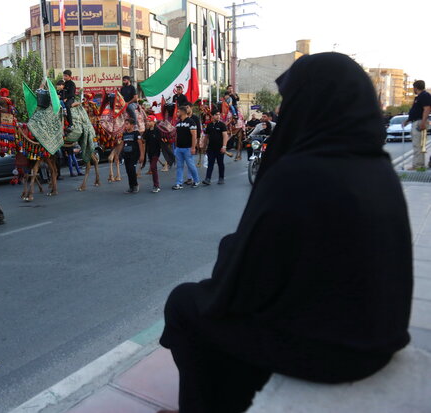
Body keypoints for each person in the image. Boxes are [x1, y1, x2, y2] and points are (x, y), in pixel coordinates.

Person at [158, 53, 412, 413]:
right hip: (378, 338)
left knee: (184, 303)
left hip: (333, 353)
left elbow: (245, 286)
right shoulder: (377, 167)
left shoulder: (300, 173)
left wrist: (232, 252)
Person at [403, 80, 430, 170]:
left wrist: (423, 122)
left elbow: (427, 109)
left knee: (418, 145)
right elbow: (417, 111)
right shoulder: (419, 97)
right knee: (417, 145)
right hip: (416, 121)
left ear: (415, 88)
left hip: (419, 122)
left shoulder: (424, 96)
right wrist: (408, 120)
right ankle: (417, 164)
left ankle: (418, 165)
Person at [172, 106, 200, 190]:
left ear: (183, 112)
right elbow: (176, 135)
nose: (177, 113)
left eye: (178, 112)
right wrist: (176, 147)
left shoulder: (191, 122)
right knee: (179, 166)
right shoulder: (178, 122)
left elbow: (194, 135)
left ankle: (196, 180)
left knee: (191, 166)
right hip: (179, 148)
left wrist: (193, 147)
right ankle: (178, 183)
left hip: (187, 148)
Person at [202, 110, 229, 185]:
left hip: (220, 148)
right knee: (210, 163)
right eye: (216, 115)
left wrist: (224, 146)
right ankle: (208, 179)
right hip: (211, 148)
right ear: (213, 116)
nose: (218, 116)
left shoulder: (222, 125)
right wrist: (204, 147)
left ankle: (221, 178)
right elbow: (206, 137)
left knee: (220, 163)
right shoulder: (209, 125)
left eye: (219, 115)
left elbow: (225, 136)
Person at [142, 115, 162, 192]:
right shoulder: (147, 131)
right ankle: (155, 185)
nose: (148, 122)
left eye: (150, 121)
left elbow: (160, 141)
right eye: (147, 121)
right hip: (149, 152)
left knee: (153, 168)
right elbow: (143, 139)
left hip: (156, 152)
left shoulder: (157, 130)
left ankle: (156, 186)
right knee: (154, 169)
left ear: (154, 122)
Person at [121, 118, 141, 193]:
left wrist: (141, 155)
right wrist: (117, 155)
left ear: (132, 125)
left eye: (127, 124)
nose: (125, 126)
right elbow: (122, 144)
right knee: (128, 171)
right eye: (125, 124)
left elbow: (140, 144)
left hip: (134, 155)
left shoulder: (136, 133)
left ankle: (135, 185)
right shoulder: (124, 134)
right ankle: (131, 187)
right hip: (126, 155)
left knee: (132, 169)